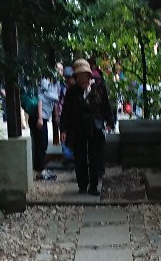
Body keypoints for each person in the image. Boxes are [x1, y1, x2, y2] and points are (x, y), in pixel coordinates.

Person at [60, 59, 114, 195]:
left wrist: (109, 123)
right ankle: (82, 185)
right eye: (79, 76)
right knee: (79, 158)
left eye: (84, 75)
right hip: (78, 127)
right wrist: (64, 129)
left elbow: (106, 106)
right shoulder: (72, 91)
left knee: (95, 157)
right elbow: (66, 112)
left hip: (95, 127)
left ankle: (94, 186)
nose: (82, 78)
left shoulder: (98, 87)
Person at [34, 72, 59, 181]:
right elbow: (40, 99)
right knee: (41, 144)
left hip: (44, 117)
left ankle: (41, 170)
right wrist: (40, 117)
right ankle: (40, 171)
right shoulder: (45, 82)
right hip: (41, 117)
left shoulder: (52, 84)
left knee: (42, 144)